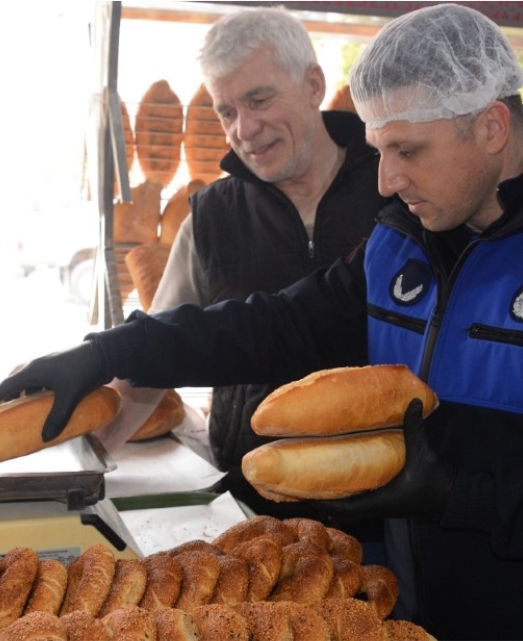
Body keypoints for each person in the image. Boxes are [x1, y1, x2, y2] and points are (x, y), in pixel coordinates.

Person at [0, 4, 523, 639]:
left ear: (490, 128)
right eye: (378, 150)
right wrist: (110, 350)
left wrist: (460, 491)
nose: (384, 178)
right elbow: (272, 325)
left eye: (405, 150)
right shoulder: (403, 239)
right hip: (409, 614)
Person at [148, 10, 391, 538]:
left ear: (313, 84)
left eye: (258, 100)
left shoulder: (397, 188)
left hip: (395, 510)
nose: (243, 129)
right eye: (226, 111)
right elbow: (155, 356)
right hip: (254, 515)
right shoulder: (208, 219)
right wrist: (79, 458)